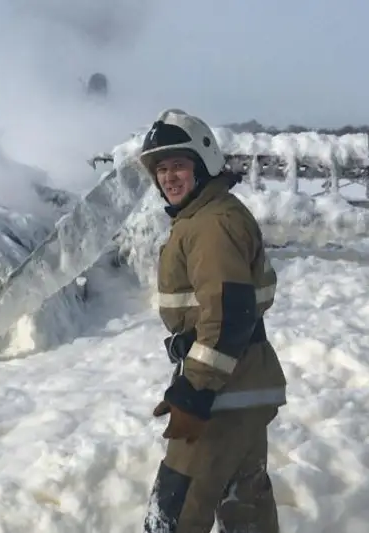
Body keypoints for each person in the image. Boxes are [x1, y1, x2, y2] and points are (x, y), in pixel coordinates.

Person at [136, 109, 287, 533]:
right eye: (161, 169)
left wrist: (194, 392)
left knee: (175, 513)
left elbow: (229, 316)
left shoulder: (211, 225)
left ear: (203, 165)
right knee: (246, 509)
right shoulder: (209, 215)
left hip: (221, 398)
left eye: (178, 165)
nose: (169, 177)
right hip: (245, 388)